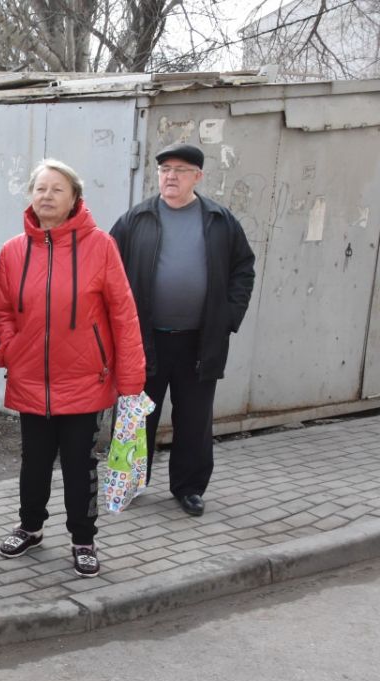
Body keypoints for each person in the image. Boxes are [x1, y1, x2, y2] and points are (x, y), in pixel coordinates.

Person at [0, 159, 145, 577]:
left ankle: (83, 538)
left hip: (83, 380)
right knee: (33, 461)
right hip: (30, 380)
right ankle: (30, 527)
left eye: (57, 189)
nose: (47, 196)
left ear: (75, 197)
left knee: (79, 464)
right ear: (30, 196)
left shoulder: (101, 246)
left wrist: (131, 381)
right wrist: (9, 347)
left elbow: (123, 316)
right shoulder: (12, 251)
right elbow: (2, 309)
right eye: (40, 188)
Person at [110, 143, 256, 517]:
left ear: (198, 177)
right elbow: (107, 270)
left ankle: (189, 488)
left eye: (180, 169)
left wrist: (228, 317)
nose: (171, 176)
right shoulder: (136, 219)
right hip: (145, 339)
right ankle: (128, 484)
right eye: (164, 169)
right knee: (137, 414)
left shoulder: (219, 220)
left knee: (194, 419)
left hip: (199, 340)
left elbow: (243, 269)